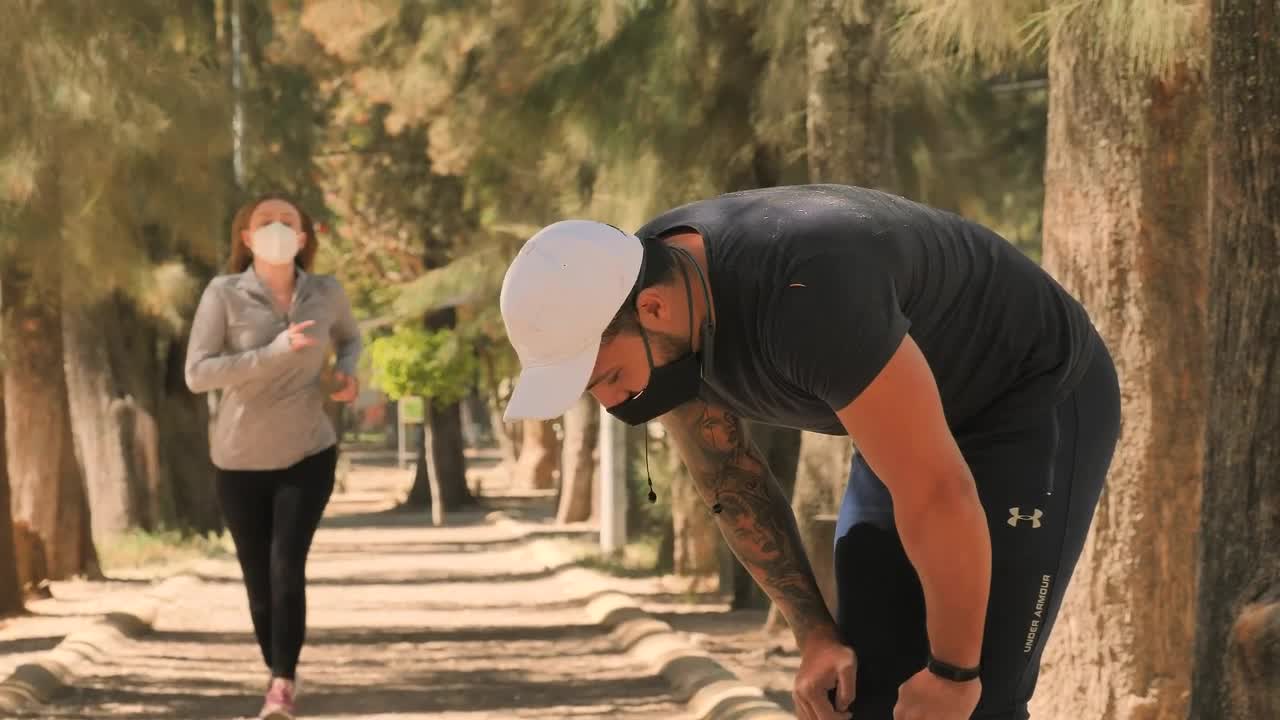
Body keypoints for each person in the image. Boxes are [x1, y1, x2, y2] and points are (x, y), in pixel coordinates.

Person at [498, 185, 1120, 720]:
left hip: (1028, 400)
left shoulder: (807, 295)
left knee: (974, 701)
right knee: (860, 690)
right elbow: (731, 479)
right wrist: (815, 635)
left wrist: (955, 673)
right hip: (904, 422)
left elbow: (937, 490)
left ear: (652, 308)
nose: (613, 404)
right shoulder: (661, 310)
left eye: (607, 379)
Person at [185, 193, 362, 720]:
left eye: (289, 221)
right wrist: (273, 353)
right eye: (266, 222)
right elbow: (197, 373)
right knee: (258, 580)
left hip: (308, 451)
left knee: (287, 567)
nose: (279, 228)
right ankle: (277, 670)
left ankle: (281, 685)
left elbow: (351, 340)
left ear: (305, 238)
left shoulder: (326, 292)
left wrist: (348, 375)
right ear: (246, 237)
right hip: (238, 459)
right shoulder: (224, 294)